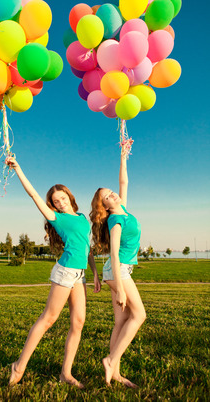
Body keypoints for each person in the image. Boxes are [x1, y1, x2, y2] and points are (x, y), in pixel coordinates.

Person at [5, 155, 101, 388]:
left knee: (78, 323)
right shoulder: (55, 217)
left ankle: (65, 374)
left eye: (63, 197)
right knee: (49, 319)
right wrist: (18, 169)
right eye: (56, 201)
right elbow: (33, 194)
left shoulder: (81, 218)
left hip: (80, 275)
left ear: (70, 196)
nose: (60, 202)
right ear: (53, 205)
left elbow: (86, 247)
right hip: (66, 271)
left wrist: (95, 273)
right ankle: (19, 366)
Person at [89, 145, 146, 388]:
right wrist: (120, 289)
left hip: (116, 272)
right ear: (105, 206)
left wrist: (123, 156)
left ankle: (116, 373)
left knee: (121, 323)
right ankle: (111, 361)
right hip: (118, 271)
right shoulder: (115, 219)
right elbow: (113, 252)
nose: (113, 194)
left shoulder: (122, 209)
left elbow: (124, 181)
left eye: (112, 192)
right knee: (139, 315)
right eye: (108, 197)